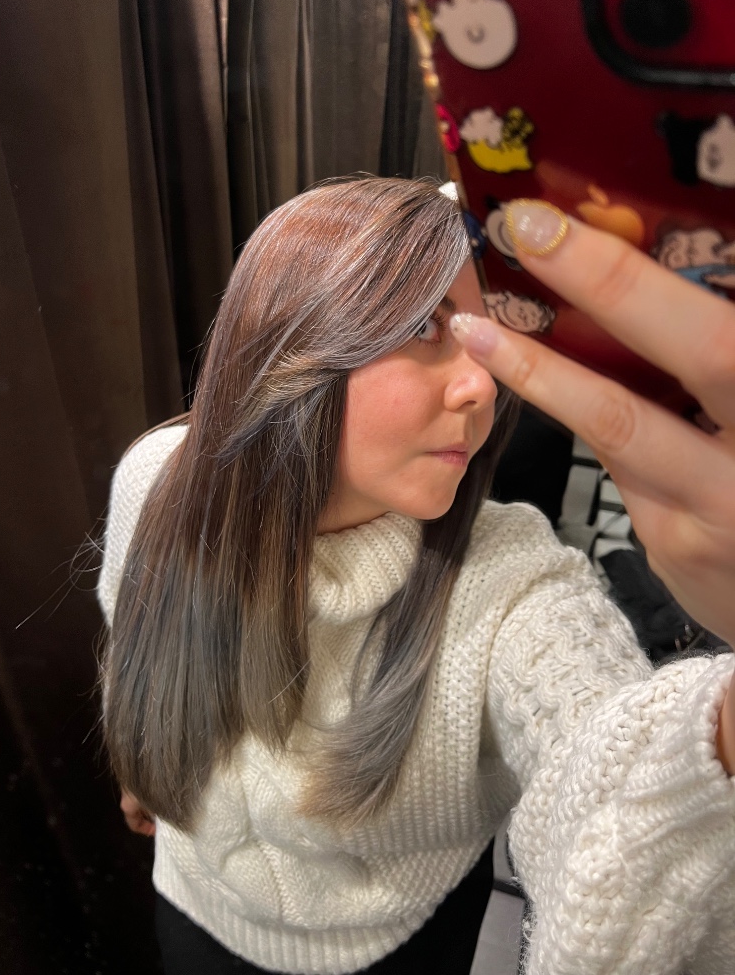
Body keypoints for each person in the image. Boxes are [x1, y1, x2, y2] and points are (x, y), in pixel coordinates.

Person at [98, 177, 735, 975]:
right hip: (194, 904)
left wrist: (717, 740)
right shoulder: (157, 476)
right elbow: (136, 629)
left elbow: (614, 795)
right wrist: (141, 756)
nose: (482, 386)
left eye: (487, 338)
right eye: (426, 328)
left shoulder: (511, 585)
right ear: (293, 341)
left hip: (397, 946)